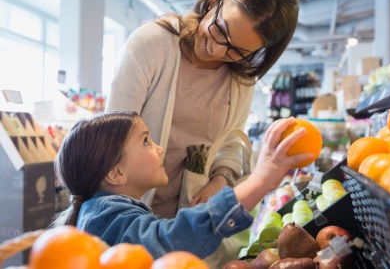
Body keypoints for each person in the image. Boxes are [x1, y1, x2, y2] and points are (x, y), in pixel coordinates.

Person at [105, 0, 300, 219]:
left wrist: (222, 178)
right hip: (127, 214)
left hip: (189, 222)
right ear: (214, 1)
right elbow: (111, 138)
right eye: (221, 30)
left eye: (238, 51)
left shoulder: (240, 82)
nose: (217, 49)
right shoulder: (150, 45)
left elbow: (230, 143)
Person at [52, 111, 313, 260]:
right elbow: (171, 240)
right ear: (116, 172)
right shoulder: (107, 216)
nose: (159, 147)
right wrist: (260, 180)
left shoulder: (104, 211)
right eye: (146, 141)